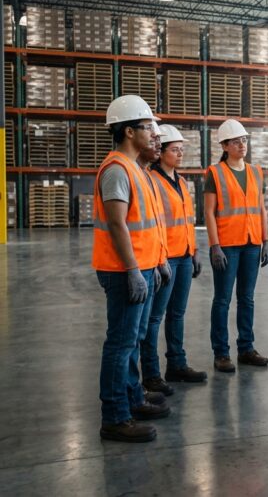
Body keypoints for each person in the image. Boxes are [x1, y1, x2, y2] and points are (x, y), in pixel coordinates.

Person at [93, 95, 170, 443]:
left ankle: (133, 398)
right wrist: (134, 270)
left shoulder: (136, 168)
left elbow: (146, 225)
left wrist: (155, 262)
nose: (154, 133)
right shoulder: (116, 170)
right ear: (128, 131)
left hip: (141, 268)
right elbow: (118, 225)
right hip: (123, 271)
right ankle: (115, 417)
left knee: (132, 340)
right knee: (121, 344)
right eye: (148, 127)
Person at [139, 124, 207, 396]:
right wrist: (159, 259)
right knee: (154, 318)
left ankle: (176, 365)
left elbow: (188, 221)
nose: (180, 154)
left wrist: (196, 251)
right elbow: (153, 225)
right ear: (161, 152)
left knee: (177, 314)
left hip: (185, 256)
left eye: (182, 150)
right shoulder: (151, 180)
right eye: (175, 150)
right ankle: (152, 374)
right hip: (164, 259)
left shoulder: (181, 181)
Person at [204, 119, 268, 373]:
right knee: (222, 300)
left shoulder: (256, 172)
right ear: (224, 145)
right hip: (227, 245)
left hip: (252, 243)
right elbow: (209, 213)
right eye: (235, 141)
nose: (242, 144)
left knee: (247, 298)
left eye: (244, 140)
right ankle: (221, 353)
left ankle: (246, 348)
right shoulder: (215, 173)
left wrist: (266, 239)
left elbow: (261, 208)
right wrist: (214, 245)